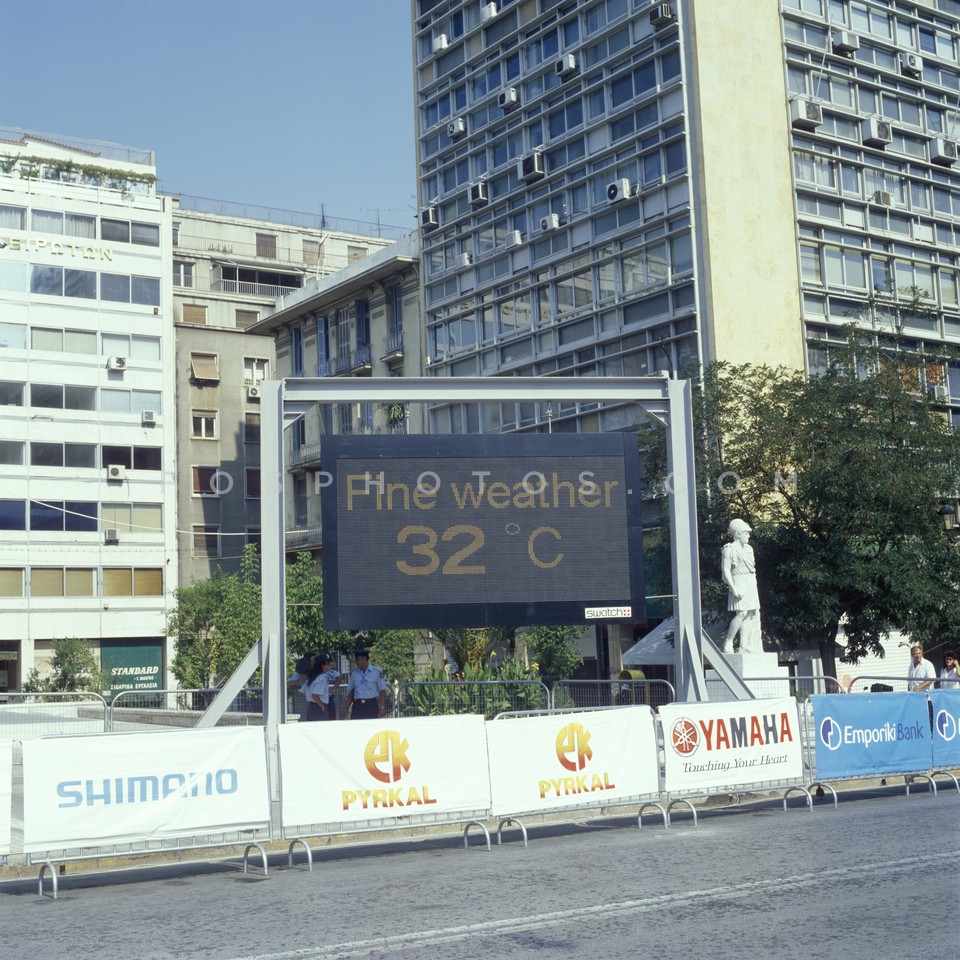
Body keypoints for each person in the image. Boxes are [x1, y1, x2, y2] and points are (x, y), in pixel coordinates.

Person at [721, 519, 761, 654]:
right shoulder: (729, 549)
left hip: (750, 580)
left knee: (749, 614)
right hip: (738, 580)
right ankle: (729, 641)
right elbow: (726, 570)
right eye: (745, 533)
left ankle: (743, 645)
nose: (748, 536)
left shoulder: (749, 549)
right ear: (738, 534)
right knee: (741, 613)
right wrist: (733, 587)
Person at [340, 649, 387, 720]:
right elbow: (351, 693)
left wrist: (382, 707)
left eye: (358, 660)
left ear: (364, 658)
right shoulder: (354, 673)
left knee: (371, 726)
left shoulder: (376, 672)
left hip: (371, 705)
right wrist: (345, 708)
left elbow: (382, 691)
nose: (356, 663)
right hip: (357, 706)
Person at [303, 655, 332, 721]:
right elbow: (315, 695)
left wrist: (310, 699)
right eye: (327, 664)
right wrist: (322, 706)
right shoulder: (322, 679)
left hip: (311, 707)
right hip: (318, 708)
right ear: (322, 665)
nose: (328, 666)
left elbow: (304, 691)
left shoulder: (311, 678)